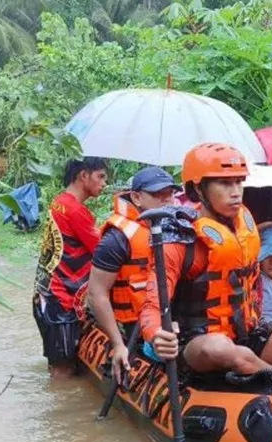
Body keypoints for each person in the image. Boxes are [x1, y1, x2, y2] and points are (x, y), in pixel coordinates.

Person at [141, 143, 272, 375]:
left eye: (238, 182)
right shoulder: (181, 241)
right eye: (225, 183)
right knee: (223, 349)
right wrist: (156, 333)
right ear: (198, 190)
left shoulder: (245, 223)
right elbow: (152, 306)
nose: (236, 192)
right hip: (198, 342)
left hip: (247, 333)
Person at [87, 166, 179, 381]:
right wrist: (118, 345)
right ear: (137, 197)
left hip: (164, 316)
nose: (167, 200)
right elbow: (96, 293)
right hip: (133, 326)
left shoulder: (175, 229)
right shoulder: (117, 239)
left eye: (170, 194)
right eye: (158, 194)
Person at [33, 157, 109, 379]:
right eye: (100, 176)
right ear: (83, 176)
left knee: (58, 363)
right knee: (63, 370)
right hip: (61, 299)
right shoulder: (76, 211)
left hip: (47, 294)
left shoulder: (60, 202)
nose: (104, 183)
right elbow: (103, 251)